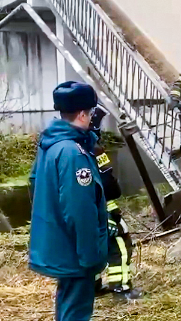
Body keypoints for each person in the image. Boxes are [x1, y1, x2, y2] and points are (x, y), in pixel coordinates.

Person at [29, 81, 108, 321]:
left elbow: (34, 183)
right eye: (92, 112)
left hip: (60, 243)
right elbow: (79, 210)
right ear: (83, 114)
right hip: (75, 250)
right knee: (77, 311)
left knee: (68, 304)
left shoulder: (50, 143)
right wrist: (90, 256)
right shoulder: (73, 153)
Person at [89, 105, 143, 301]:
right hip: (103, 209)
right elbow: (105, 184)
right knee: (120, 245)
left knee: (91, 249)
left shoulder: (69, 148)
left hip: (87, 212)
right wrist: (107, 217)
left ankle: (92, 287)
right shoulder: (93, 150)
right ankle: (121, 289)